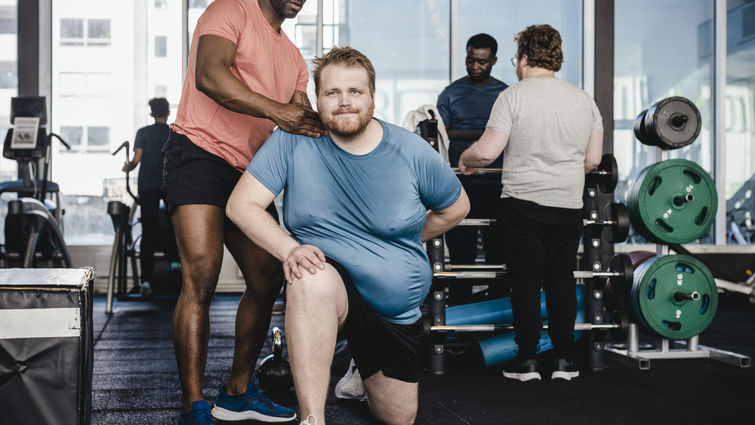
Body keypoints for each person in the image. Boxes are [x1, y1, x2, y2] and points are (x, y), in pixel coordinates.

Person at [226, 46, 470, 425]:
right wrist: (290, 249)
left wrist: (403, 241)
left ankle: (359, 376)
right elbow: (241, 205)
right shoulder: (293, 140)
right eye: (332, 93)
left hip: (392, 307)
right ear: (318, 99)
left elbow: (456, 207)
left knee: (399, 418)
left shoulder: (410, 151)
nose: (344, 102)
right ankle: (313, 419)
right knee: (309, 277)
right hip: (330, 285)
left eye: (355, 92)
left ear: (373, 96)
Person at [163, 0, 325, 424]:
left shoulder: (293, 60)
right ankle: (194, 403)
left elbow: (303, 121)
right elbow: (209, 76)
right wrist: (276, 111)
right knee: (201, 271)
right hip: (197, 151)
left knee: (268, 273)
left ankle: (237, 391)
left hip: (248, 172)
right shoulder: (229, 10)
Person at [458, 24, 603, 382]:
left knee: (525, 281)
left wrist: (466, 159)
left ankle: (527, 362)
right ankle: (565, 361)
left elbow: (487, 152)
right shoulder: (584, 99)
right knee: (561, 279)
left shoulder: (514, 96)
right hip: (568, 203)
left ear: (523, 57)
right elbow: (593, 161)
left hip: (523, 202)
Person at [437, 33, 508, 267]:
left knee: (498, 251)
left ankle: (497, 301)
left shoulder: (506, 95)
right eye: (470, 60)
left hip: (497, 184)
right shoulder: (450, 93)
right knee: (461, 251)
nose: (475, 66)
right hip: (461, 182)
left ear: (494, 61)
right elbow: (441, 137)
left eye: (482, 61)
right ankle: (461, 299)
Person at [122, 97, 177, 298]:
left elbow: (136, 160)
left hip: (148, 185)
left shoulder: (143, 133)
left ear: (152, 113)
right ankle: (174, 262)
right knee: (175, 225)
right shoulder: (173, 132)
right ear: (168, 112)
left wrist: (126, 166)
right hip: (169, 183)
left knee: (148, 231)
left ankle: (146, 281)